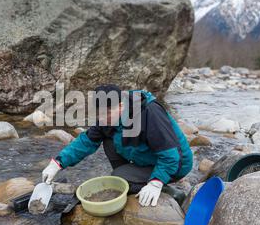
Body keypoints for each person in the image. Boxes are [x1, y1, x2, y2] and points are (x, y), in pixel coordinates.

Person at [42, 85, 193, 207]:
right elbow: (86, 141)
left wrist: (156, 182)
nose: (101, 119)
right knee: (108, 140)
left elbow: (171, 156)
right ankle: (130, 176)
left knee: (118, 179)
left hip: (178, 163)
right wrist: (57, 163)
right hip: (147, 157)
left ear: (121, 106)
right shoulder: (107, 118)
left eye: (106, 114)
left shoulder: (149, 112)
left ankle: (171, 193)